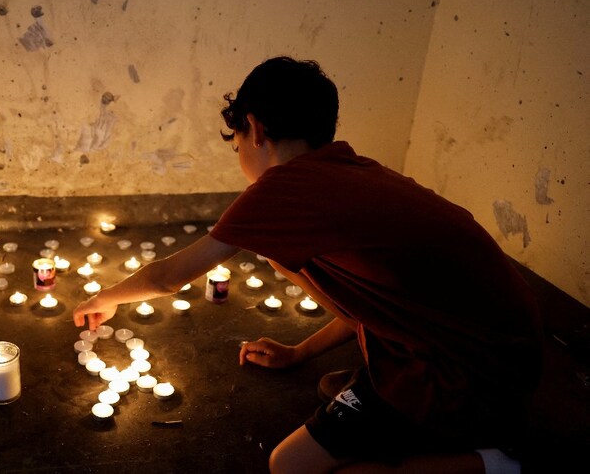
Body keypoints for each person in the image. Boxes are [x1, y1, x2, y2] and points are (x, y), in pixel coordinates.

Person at [72, 56, 543, 473]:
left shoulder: (282, 192)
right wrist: (300, 353)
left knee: (291, 465)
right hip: (503, 346)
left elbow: (168, 277)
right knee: (322, 374)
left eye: (236, 144)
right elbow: (375, 304)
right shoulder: (348, 170)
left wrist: (104, 298)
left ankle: (492, 463)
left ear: (254, 129)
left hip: (467, 371)